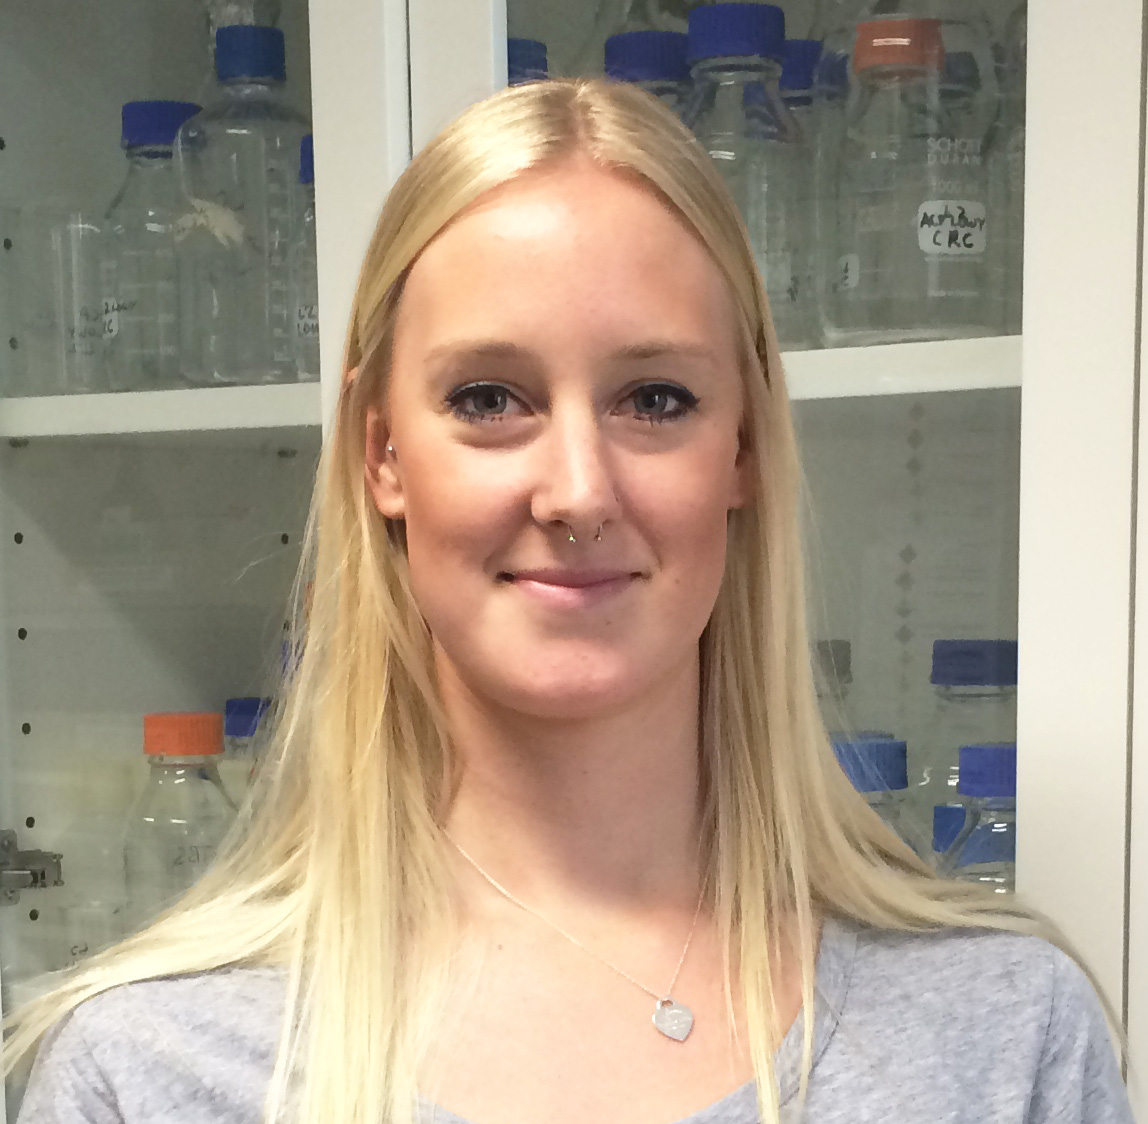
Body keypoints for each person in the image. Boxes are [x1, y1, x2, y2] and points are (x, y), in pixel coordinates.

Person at [4, 78, 1134, 1124]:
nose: (579, 491)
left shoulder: (1001, 1036)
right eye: (489, 398)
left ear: (742, 448)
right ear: (381, 452)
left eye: (655, 398)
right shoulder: (146, 1070)